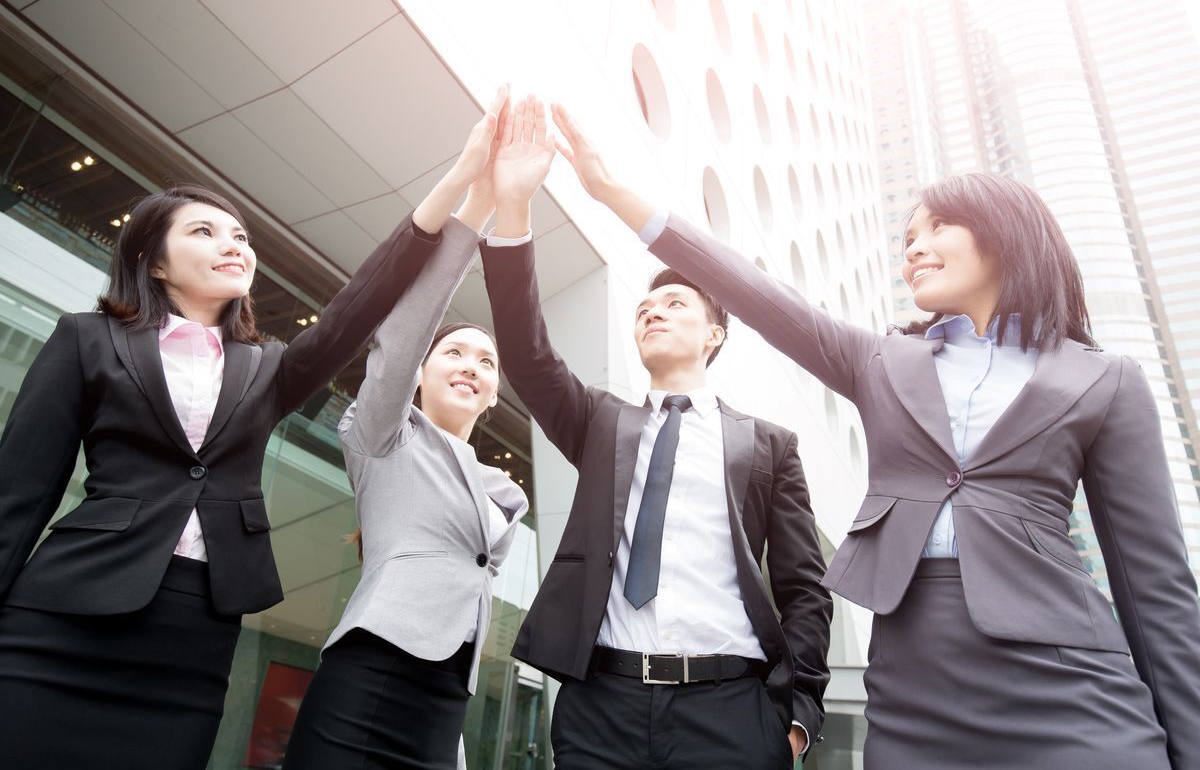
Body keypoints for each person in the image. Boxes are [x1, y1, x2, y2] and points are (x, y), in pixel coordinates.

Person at [548, 104, 1200, 769]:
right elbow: (754, 293)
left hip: (1070, 680)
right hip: (916, 685)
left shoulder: (1105, 379)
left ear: (1008, 233)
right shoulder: (881, 361)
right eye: (909, 234)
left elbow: (1157, 591)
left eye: (939, 226)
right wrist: (613, 195)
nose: (914, 246)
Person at [0, 87, 509, 769]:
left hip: (193, 636)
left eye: (240, 234)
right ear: (154, 260)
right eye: (203, 232)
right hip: (64, 616)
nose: (232, 244)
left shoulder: (269, 366)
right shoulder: (87, 340)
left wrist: (464, 181)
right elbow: (21, 490)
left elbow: (365, 303)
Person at [479, 98, 831, 769]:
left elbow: (803, 588)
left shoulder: (768, 445)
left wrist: (798, 717)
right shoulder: (602, 422)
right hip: (601, 706)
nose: (653, 313)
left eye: (674, 304)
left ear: (715, 333)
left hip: (731, 711)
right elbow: (527, 356)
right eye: (643, 308)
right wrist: (516, 206)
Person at [281, 93, 540, 770]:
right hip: (372, 672)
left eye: (487, 363)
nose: (472, 367)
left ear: (490, 399)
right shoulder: (382, 437)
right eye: (454, 352)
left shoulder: (504, 495)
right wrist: (477, 201)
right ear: (419, 374)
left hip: (447, 695)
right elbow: (404, 330)